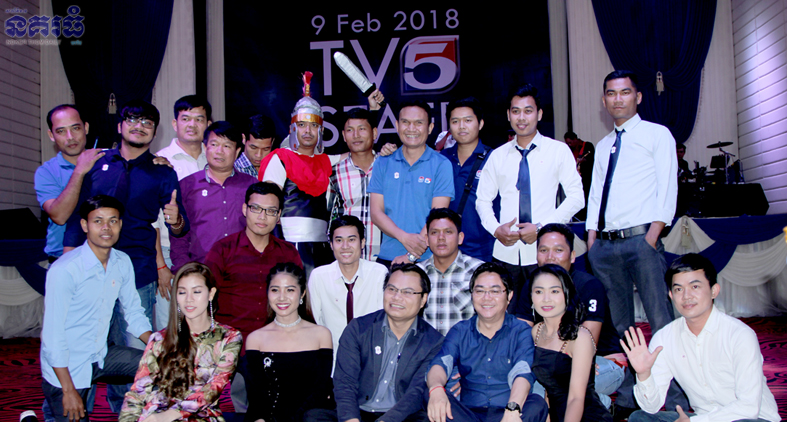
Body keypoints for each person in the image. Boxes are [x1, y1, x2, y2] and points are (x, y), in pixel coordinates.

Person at [585, 70, 681, 418]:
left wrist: (653, 235)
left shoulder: (657, 134)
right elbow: (596, 193)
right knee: (622, 325)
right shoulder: (603, 145)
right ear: (604, 100)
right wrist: (592, 238)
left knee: (661, 320)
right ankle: (631, 393)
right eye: (611, 93)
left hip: (642, 240)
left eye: (625, 92)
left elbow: (668, 186)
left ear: (637, 97)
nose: (618, 99)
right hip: (605, 246)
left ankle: (677, 394)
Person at [63, 99, 189, 353]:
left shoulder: (163, 172)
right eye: (132, 120)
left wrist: (176, 220)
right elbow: (78, 215)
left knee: (135, 348)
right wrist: (68, 258)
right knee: (88, 345)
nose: (139, 126)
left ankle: (129, 383)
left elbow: (180, 228)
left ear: (155, 132)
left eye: (147, 123)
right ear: (120, 126)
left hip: (138, 270)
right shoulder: (96, 163)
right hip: (93, 267)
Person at [622, 253, 780, 422]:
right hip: (703, 417)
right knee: (640, 418)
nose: (686, 296)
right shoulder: (664, 338)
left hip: (751, 418)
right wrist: (644, 374)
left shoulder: (739, 334)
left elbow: (749, 407)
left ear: (714, 291)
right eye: (678, 289)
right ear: (671, 295)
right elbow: (651, 407)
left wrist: (694, 421)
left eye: (695, 287)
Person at [41, 195, 152, 422]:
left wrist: (159, 346)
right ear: (85, 225)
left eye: (113, 221)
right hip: (66, 368)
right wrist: (68, 391)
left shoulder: (122, 261)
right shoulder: (65, 270)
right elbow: (52, 336)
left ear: (120, 224)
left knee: (162, 366)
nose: (106, 228)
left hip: (100, 355)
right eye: (98, 221)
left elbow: (133, 312)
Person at [476, 85, 583, 311]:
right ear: (508, 115)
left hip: (544, 254)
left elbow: (577, 197)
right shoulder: (497, 156)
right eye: (516, 111)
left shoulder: (558, 151)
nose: (521, 118)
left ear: (539, 114)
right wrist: (496, 229)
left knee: (548, 315)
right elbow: (482, 200)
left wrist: (542, 228)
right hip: (505, 252)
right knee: (506, 317)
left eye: (528, 111)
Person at [204, 181, 302, 413]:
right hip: (230, 345)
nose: (262, 216)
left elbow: (298, 303)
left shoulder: (288, 253)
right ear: (244, 209)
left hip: (275, 343)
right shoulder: (223, 249)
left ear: (279, 215)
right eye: (256, 208)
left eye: (270, 211)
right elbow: (205, 299)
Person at [305, 263, 444, 422]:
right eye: (392, 289)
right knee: (313, 417)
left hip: (400, 417)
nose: (397, 297)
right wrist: (351, 419)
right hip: (358, 412)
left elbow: (416, 393)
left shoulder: (433, 342)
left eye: (407, 292)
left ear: (423, 299)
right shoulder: (359, 328)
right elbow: (345, 382)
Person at [513, 223, 625, 409]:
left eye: (558, 250)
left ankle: (596, 406)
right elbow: (521, 335)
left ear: (572, 256)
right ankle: (598, 403)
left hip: (602, 362)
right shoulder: (531, 285)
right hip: (551, 361)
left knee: (545, 388)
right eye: (543, 250)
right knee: (520, 381)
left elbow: (588, 342)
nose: (550, 257)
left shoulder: (589, 285)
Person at [119, 262, 242, 422]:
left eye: (196, 291)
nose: (189, 299)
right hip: (156, 413)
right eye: (182, 292)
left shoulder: (229, 337)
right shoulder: (160, 338)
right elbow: (138, 391)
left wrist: (170, 415)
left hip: (201, 415)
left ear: (211, 293)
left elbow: (213, 388)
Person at [426, 262, 548, 422]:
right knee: (430, 393)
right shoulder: (460, 330)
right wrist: (436, 389)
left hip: (508, 413)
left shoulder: (520, 331)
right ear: (472, 295)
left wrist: (512, 408)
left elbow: (523, 372)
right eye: (480, 291)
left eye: (495, 291)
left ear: (509, 295)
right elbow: (441, 363)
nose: (486, 297)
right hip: (467, 415)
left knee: (536, 404)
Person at [259, 72, 339, 276]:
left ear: (321, 130)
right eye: (302, 125)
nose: (308, 131)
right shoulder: (280, 159)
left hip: (322, 248)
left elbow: (357, 156)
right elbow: (268, 207)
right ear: (292, 128)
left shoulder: (325, 161)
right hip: (288, 246)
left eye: (314, 125)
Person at [244, 263, 335, 422]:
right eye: (275, 290)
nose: (282, 297)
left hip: (310, 418)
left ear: (302, 293)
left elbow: (320, 389)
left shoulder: (321, 335)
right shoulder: (255, 339)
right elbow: (256, 394)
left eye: (290, 290)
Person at [369, 100, 454, 268]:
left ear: (430, 128)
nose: (411, 128)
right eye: (405, 122)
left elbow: (437, 216)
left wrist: (411, 256)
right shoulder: (383, 162)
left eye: (418, 123)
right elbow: (376, 212)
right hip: (389, 257)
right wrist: (404, 237)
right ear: (397, 125)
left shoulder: (441, 164)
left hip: (429, 259)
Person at [153, 95, 213, 332]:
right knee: (170, 325)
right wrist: (161, 265)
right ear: (174, 123)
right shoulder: (160, 161)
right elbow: (152, 221)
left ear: (208, 124)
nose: (192, 124)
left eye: (199, 119)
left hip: (206, 252)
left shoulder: (215, 158)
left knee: (205, 323)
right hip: (169, 252)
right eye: (186, 118)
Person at [170, 121, 256, 272]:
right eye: (214, 144)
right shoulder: (187, 185)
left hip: (242, 270)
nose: (219, 151)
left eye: (227, 146)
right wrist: (183, 270)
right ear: (205, 147)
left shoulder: (251, 185)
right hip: (200, 271)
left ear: (237, 151)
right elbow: (179, 237)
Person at [530, 264, 612, 422]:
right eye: (539, 291)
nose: (546, 299)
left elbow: (576, 398)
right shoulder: (537, 331)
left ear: (567, 294)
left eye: (554, 291)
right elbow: (549, 387)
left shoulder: (580, 337)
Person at [308, 215, 387, 354]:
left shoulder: (379, 274)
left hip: (371, 357)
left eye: (351, 240)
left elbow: (385, 322)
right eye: (339, 240)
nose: (345, 246)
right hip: (333, 358)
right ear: (331, 244)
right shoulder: (319, 276)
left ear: (362, 242)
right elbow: (313, 324)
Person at [35, 104, 103, 263]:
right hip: (62, 259)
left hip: (106, 256)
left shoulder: (106, 163)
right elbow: (59, 216)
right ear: (51, 135)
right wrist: (79, 171)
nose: (70, 137)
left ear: (86, 128)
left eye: (75, 128)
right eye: (61, 131)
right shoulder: (46, 172)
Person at [441, 97, 496, 262]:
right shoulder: (441, 159)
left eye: (468, 120)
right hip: (446, 250)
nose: (461, 126)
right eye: (455, 121)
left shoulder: (494, 159)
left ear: (480, 124)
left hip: (485, 250)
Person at [328, 100, 384, 260]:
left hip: (385, 256)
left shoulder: (388, 167)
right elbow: (329, 217)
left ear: (374, 133)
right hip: (348, 258)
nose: (356, 135)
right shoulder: (334, 172)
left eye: (362, 129)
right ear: (344, 136)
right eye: (350, 130)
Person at [418, 207, 483, 335]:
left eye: (448, 232)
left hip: (467, 346)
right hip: (427, 347)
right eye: (434, 232)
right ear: (427, 239)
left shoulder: (479, 272)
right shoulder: (417, 274)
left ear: (460, 238)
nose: (441, 238)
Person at [564, 131, 594, 221]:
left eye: (570, 142)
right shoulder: (569, 150)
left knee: (587, 200)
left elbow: (593, 159)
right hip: (576, 180)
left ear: (575, 139)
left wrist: (584, 161)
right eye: (567, 143)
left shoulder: (587, 146)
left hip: (587, 180)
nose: (569, 145)